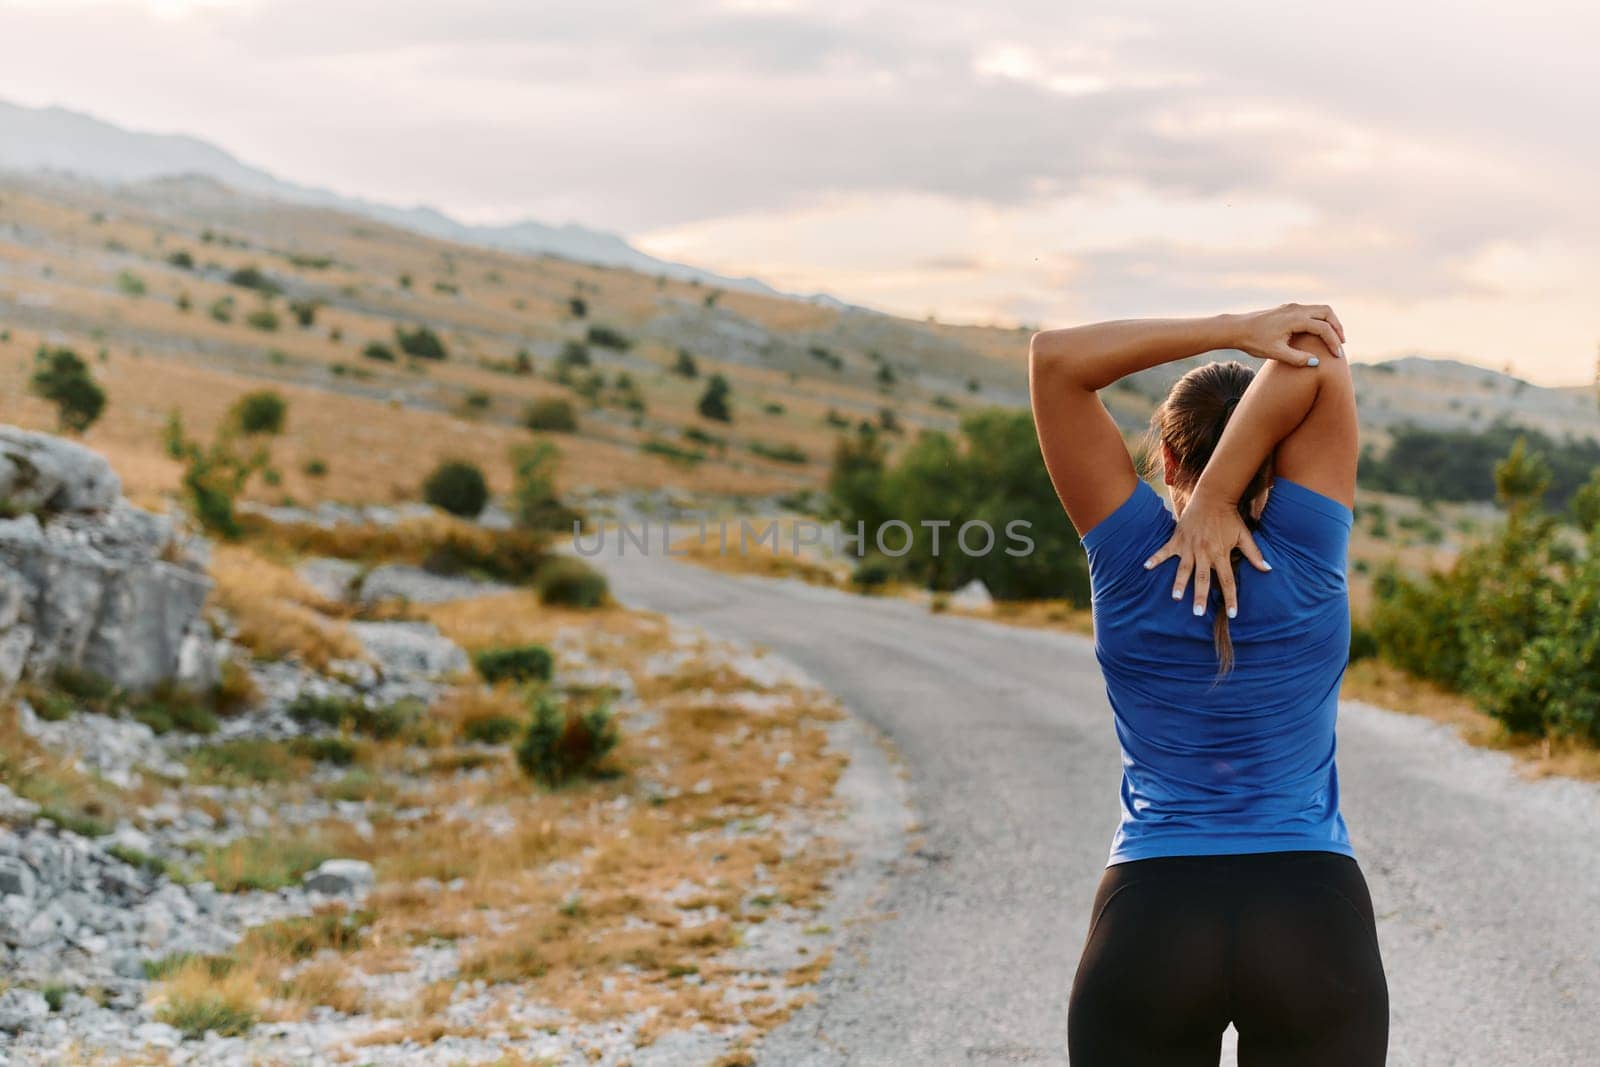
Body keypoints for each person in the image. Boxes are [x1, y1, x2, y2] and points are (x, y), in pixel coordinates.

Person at [1028, 305, 1389, 1066]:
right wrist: (1226, 491)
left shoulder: (1128, 555)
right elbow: (1318, 352)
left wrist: (1231, 327)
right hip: (1312, 916)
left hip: (1152, 917)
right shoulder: (1310, 543)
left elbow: (1053, 360)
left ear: (1163, 450)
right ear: (1283, 448)